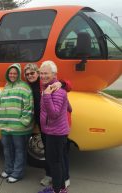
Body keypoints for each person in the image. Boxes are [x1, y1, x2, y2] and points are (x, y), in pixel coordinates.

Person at [23, 63, 71, 188]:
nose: (30, 76)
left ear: (37, 73)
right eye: (27, 74)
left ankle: (64, 179)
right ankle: (51, 175)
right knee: (49, 153)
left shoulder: (47, 84)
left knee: (60, 154)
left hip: (57, 124)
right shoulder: (27, 87)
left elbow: (68, 85)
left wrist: (62, 83)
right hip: (44, 124)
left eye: (32, 73)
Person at [0, 63, 34, 183]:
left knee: (19, 150)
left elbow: (29, 106)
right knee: (7, 149)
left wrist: (24, 122)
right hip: (5, 126)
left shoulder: (24, 87)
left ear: (19, 74)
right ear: (7, 74)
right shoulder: (6, 87)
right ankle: (8, 169)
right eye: (10, 73)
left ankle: (18, 173)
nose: (12, 75)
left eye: (15, 73)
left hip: (19, 127)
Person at [38, 61, 71, 193]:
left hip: (55, 133)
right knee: (58, 161)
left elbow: (54, 114)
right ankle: (61, 188)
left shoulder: (54, 91)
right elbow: (69, 107)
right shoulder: (52, 87)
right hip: (54, 131)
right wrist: (67, 107)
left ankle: (56, 190)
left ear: (54, 74)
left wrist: (46, 96)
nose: (42, 76)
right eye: (41, 73)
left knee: (55, 163)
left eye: (46, 73)